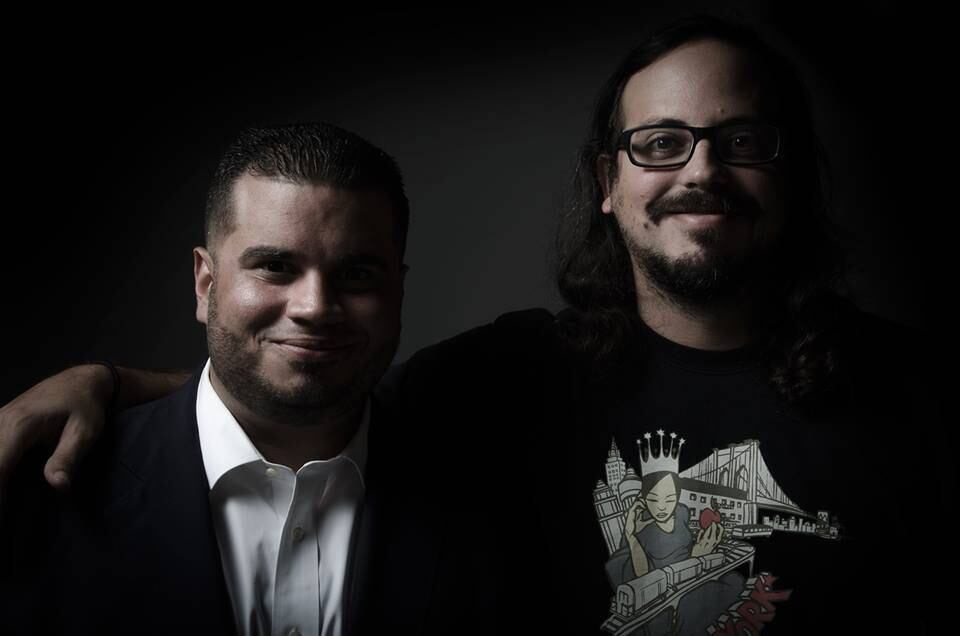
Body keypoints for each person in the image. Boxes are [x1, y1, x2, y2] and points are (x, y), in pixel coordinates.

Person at [0, 14, 949, 635]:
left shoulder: (922, 399)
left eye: (743, 142)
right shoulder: (511, 379)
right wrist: (106, 385)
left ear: (793, 174)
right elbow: (307, 383)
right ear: (609, 183)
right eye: (661, 143)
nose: (700, 170)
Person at [0, 123, 504, 636]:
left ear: (399, 290)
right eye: (275, 266)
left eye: (356, 274)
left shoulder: (495, 498)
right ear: (205, 283)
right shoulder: (40, 493)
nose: (315, 308)